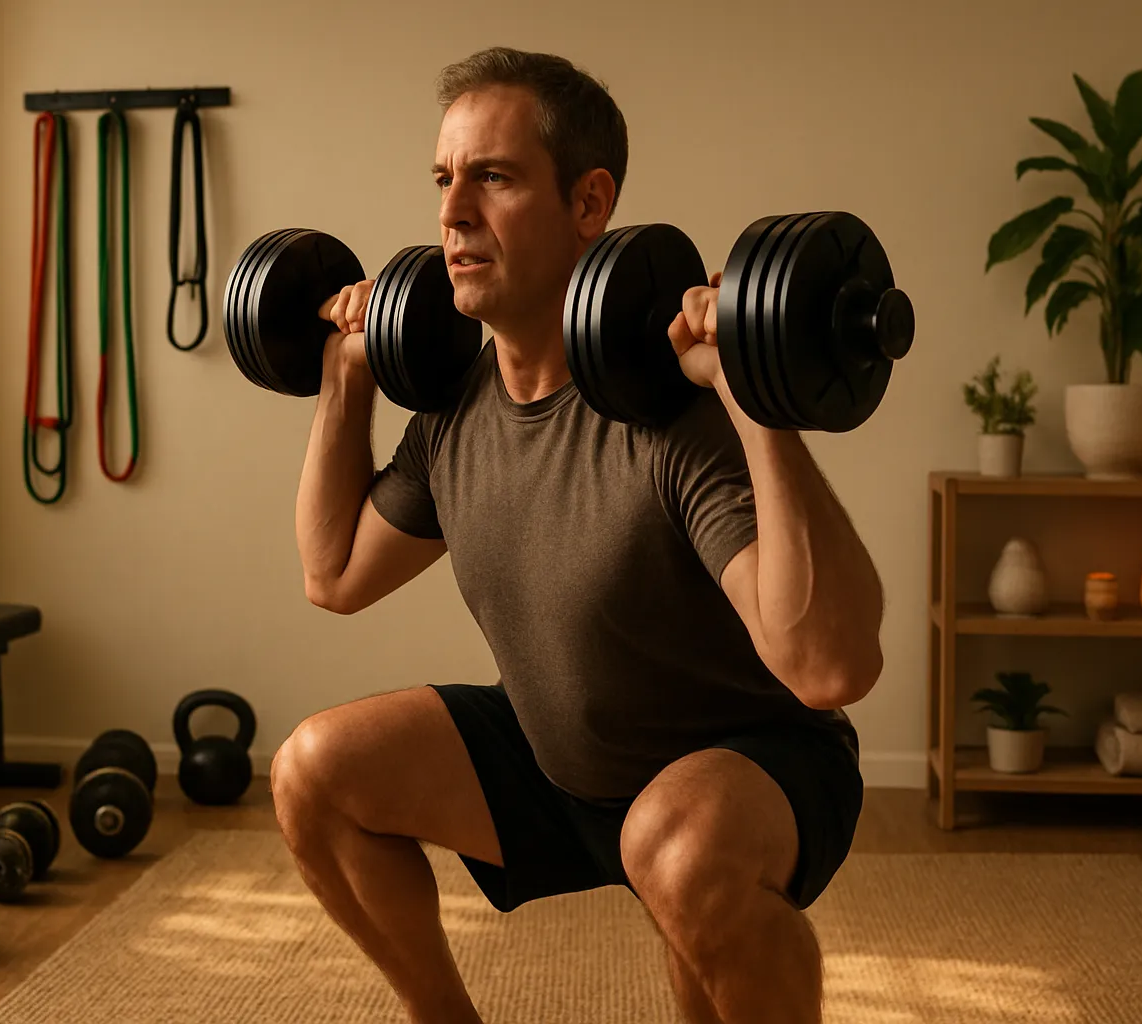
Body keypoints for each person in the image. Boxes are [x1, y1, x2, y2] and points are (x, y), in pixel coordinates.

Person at [270, 45, 884, 1024]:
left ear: (590, 203)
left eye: (495, 177)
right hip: (558, 763)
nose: (453, 211)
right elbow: (334, 574)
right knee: (314, 770)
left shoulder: (672, 417)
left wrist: (753, 397)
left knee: (673, 851)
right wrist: (344, 385)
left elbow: (826, 667)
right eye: (444, 178)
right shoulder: (454, 415)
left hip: (743, 766)